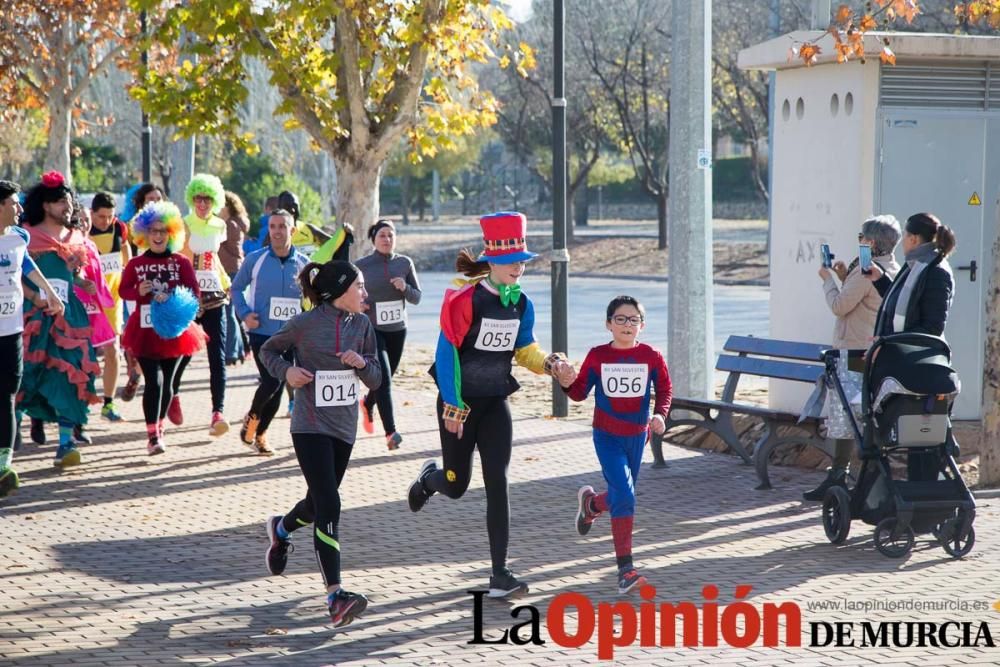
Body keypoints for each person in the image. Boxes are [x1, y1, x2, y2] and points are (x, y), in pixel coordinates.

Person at [405, 212, 568, 598]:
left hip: (495, 402)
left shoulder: (521, 304)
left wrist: (551, 364)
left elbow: (524, 350)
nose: (518, 267)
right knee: (456, 484)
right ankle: (430, 480)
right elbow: (446, 355)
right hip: (460, 403)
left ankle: (499, 573)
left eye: (523, 260)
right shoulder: (465, 299)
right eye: (512, 260)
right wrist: (453, 405)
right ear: (492, 260)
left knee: (499, 482)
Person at [260, 260, 380, 628]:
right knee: (330, 501)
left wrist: (361, 364)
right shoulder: (305, 324)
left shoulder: (362, 325)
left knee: (317, 503)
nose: (365, 293)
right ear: (340, 291)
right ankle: (335, 596)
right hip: (309, 426)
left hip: (343, 429)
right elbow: (269, 351)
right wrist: (288, 373)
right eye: (359, 286)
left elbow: (376, 379)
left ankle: (280, 529)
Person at [557, 296, 672, 595]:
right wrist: (566, 381)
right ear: (608, 324)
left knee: (622, 495)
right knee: (627, 496)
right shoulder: (597, 356)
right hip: (607, 436)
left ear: (642, 325)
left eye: (633, 319)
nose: (627, 324)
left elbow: (664, 389)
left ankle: (592, 504)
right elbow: (580, 393)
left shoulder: (652, 356)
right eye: (620, 319)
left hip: (638, 435)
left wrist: (660, 414)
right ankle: (626, 569)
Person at [803, 216, 902, 502]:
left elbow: (840, 305)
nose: (859, 239)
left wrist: (828, 280)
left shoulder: (865, 271)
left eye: (861, 236)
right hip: (872, 352)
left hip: (853, 351)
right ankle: (850, 476)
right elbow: (868, 298)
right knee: (862, 412)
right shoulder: (890, 268)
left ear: (870, 242)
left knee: (846, 412)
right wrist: (847, 275)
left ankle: (839, 476)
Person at [18, 172, 101, 467]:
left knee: (75, 373)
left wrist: (82, 282)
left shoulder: (75, 236)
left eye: (68, 201)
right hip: (36, 313)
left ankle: (65, 443)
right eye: (60, 202)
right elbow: (15, 274)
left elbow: (70, 274)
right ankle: (14, 430)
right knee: (28, 372)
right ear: (45, 204)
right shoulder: (26, 234)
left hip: (70, 316)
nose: (67, 207)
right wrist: (34, 298)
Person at [119, 202, 206, 454]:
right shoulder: (136, 264)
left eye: (163, 231)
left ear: (172, 234)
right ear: (144, 234)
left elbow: (194, 292)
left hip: (175, 330)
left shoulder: (181, 262)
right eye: (153, 231)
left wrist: (172, 297)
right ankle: (152, 436)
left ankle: (160, 426)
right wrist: (139, 290)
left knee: (167, 383)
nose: (158, 236)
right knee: (153, 381)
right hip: (145, 330)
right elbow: (123, 290)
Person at [0, 180, 65, 496]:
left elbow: (28, 267)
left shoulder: (18, 237)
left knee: (8, 394)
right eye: (14, 203)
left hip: (11, 330)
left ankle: (4, 466)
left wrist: (50, 292)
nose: (20, 209)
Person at [232, 209, 310, 455]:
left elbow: (314, 300)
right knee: (272, 380)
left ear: (293, 231)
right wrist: (245, 314)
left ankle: (261, 434)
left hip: (291, 337)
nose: (277, 231)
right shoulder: (255, 260)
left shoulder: (305, 265)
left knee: (279, 383)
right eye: (273, 226)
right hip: (262, 334)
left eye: (282, 226)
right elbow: (235, 289)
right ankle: (252, 420)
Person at [174, 173, 231, 436]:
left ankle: (217, 411)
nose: (202, 203)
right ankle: (172, 394)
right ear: (191, 198)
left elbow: (214, 259)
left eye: (207, 199)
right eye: (198, 198)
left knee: (216, 355)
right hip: (187, 295)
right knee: (183, 352)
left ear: (214, 200)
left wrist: (226, 282)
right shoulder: (183, 224)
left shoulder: (220, 225)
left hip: (214, 296)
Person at [356, 219, 421, 450]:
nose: (387, 239)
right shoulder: (361, 265)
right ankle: (391, 432)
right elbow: (351, 296)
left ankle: (367, 402)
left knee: (386, 378)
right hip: (373, 329)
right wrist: (359, 305)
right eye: (382, 235)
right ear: (373, 239)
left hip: (397, 330)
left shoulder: (404, 263)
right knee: (383, 379)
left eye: (391, 235)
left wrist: (405, 287)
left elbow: (417, 297)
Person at [869, 212, 956, 338]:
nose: (902, 241)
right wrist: (880, 279)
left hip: (912, 355)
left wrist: (888, 343)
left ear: (913, 239)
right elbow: (904, 301)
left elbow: (932, 329)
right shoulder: (915, 263)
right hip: (899, 352)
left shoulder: (936, 271)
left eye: (905, 235)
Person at [120, 182, 165, 403]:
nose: (155, 202)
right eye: (150, 199)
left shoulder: (171, 226)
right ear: (141, 203)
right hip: (139, 288)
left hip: (163, 289)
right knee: (135, 332)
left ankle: (162, 384)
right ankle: (135, 371)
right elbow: (126, 257)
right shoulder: (131, 226)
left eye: (158, 198)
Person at [88, 192, 131, 422]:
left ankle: (108, 403)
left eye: (110, 216)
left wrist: (128, 275)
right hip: (89, 301)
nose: (106, 221)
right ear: (92, 213)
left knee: (114, 351)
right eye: (101, 216)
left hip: (113, 301)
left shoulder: (119, 228)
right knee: (85, 354)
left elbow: (126, 254)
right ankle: (80, 404)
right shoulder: (83, 231)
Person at [218, 191, 250, 366]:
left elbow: (229, 249)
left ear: (228, 206)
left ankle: (231, 352)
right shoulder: (236, 223)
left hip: (229, 270)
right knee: (232, 312)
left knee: (228, 312)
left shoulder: (230, 225)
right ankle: (237, 350)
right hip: (233, 269)